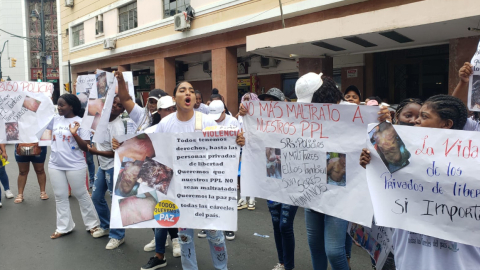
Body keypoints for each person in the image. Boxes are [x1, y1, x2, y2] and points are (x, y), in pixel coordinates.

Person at [133, 77, 244, 270]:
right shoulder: (166, 123)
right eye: (183, 90)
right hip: (179, 192)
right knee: (184, 238)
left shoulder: (207, 121)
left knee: (215, 235)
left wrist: (237, 141)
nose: (188, 93)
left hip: (205, 191)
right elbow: (147, 142)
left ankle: (221, 267)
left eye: (191, 90)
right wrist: (121, 144)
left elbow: (222, 146)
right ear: (175, 97)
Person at [360, 94, 480, 270]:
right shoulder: (402, 151)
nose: (416, 120)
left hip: (460, 260)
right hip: (411, 258)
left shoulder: (472, 159)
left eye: (424, 117)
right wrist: (370, 164)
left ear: (446, 124)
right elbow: (382, 178)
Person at [306, 75, 390, 270]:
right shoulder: (305, 113)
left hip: (343, 193)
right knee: (315, 247)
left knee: (334, 252)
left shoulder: (359, 114)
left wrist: (385, 125)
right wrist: (249, 116)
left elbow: (392, 155)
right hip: (311, 190)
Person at [115, 78, 181, 268]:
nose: (168, 112)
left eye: (172, 109)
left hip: (181, 176)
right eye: (164, 109)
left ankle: (180, 244)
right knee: (159, 212)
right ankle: (160, 254)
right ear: (157, 111)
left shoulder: (185, 126)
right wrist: (119, 145)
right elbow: (134, 146)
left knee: (179, 212)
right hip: (158, 175)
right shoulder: (151, 129)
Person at [47, 94, 100, 239]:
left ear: (71, 106)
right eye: (58, 105)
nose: (59, 107)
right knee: (60, 196)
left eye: (62, 105)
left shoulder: (81, 122)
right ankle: (64, 227)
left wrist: (75, 134)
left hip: (74, 165)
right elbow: (37, 120)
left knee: (81, 194)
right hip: (55, 164)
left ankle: (93, 224)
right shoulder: (55, 120)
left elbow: (86, 147)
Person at [88, 96, 130, 249]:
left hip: (114, 167)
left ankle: (118, 235)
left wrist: (95, 151)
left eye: (120, 105)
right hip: (103, 166)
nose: (115, 106)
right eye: (113, 102)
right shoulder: (100, 118)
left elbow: (117, 153)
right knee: (97, 196)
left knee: (116, 202)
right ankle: (106, 226)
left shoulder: (117, 126)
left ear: (123, 110)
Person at [201, 99, 241, 241]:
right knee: (209, 195)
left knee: (227, 196)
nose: (216, 120)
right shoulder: (205, 121)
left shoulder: (232, 122)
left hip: (227, 165)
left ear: (224, 112)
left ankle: (228, 227)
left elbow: (239, 141)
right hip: (209, 163)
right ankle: (209, 225)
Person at [236, 92, 259, 211]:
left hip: (254, 148)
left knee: (252, 173)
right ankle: (243, 198)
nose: (246, 101)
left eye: (248, 99)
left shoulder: (259, 116)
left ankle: (252, 198)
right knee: (243, 173)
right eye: (244, 99)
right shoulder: (239, 115)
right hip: (242, 148)